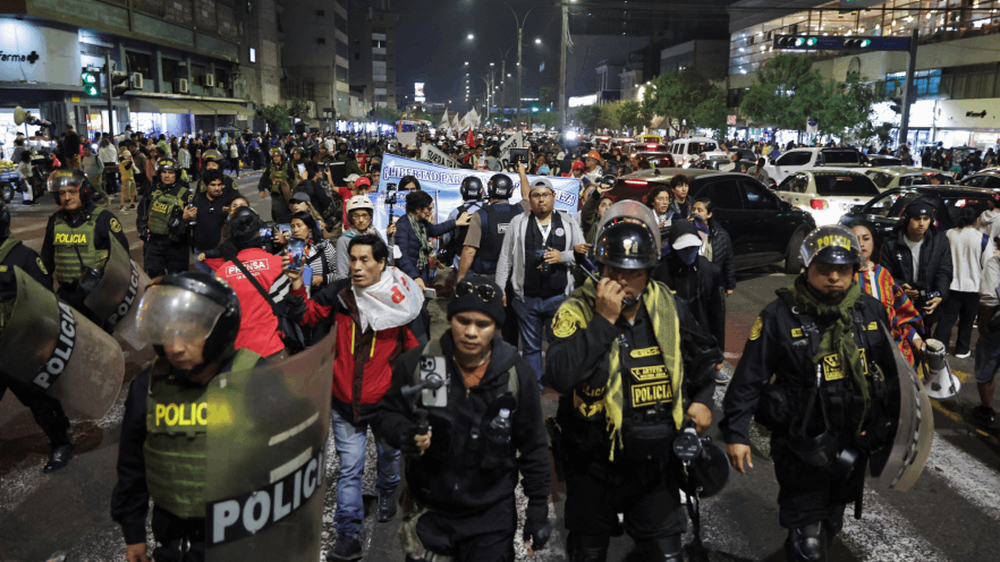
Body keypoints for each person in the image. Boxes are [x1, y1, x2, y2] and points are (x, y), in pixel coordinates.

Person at [545, 202, 721, 561]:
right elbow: (560, 376)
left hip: (655, 466)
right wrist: (603, 322)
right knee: (588, 553)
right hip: (593, 463)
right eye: (613, 270)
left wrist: (703, 400)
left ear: (650, 270)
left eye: (634, 272)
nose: (623, 280)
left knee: (666, 554)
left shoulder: (669, 307)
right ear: (600, 268)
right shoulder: (576, 310)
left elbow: (704, 361)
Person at [722, 225, 902, 562]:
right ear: (809, 268)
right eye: (824, 269)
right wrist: (736, 433)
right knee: (808, 543)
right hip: (801, 445)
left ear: (854, 270)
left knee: (832, 520)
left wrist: (891, 429)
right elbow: (748, 378)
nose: (834, 277)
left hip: (853, 443)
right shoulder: (779, 317)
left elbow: (893, 377)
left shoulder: (871, 312)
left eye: (842, 269)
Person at [376, 275, 552, 562]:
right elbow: (387, 414)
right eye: (462, 321)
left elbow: (533, 445)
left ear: (496, 327)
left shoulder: (517, 374)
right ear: (450, 319)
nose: (471, 332)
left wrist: (537, 510)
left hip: (491, 519)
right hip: (429, 514)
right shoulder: (418, 363)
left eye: (482, 324)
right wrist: (404, 434)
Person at [110, 272, 264, 562]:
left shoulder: (257, 378)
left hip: (243, 536)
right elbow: (132, 463)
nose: (175, 348)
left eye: (189, 334)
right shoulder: (149, 385)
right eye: (167, 335)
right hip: (175, 539)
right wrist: (134, 534)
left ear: (219, 332)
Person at [287, 234, 424, 560]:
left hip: (386, 405)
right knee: (350, 468)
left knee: (389, 458)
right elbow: (305, 316)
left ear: (381, 263)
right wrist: (296, 283)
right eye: (353, 259)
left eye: (365, 260)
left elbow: (416, 353)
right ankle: (347, 534)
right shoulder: (338, 295)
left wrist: (416, 402)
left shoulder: (400, 300)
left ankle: (387, 491)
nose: (357, 266)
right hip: (343, 402)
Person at [0, 201, 74, 472]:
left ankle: (61, 443)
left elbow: (46, 304)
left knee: (40, 402)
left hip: (20, 350)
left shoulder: (23, 258)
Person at [497, 170, 584, 383]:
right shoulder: (518, 222)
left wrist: (562, 256)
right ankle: (532, 388)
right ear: (530, 199)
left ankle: (560, 383)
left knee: (560, 345)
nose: (542, 199)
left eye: (546, 195)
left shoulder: (568, 221)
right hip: (526, 298)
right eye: (537, 195)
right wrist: (500, 289)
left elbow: (583, 253)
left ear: (554, 197)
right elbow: (505, 258)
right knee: (530, 348)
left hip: (558, 297)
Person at [40, 169, 130, 310]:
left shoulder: (103, 219)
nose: (67, 197)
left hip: (98, 296)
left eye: (72, 191)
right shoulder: (55, 221)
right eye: (62, 193)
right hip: (66, 296)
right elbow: (47, 261)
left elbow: (123, 259)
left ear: (84, 191)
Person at [215, 208, 293, 360]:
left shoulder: (222, 273)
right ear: (260, 237)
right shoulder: (279, 264)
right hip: (273, 348)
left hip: (238, 355)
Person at [849, 221, 926, 366]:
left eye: (866, 238)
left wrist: (915, 338)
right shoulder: (840, 279)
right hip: (855, 356)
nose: (861, 244)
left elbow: (901, 314)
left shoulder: (883, 275)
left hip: (892, 352)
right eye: (854, 239)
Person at [654, 219, 727, 370]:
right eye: (684, 248)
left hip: (701, 345)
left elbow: (717, 315)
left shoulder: (710, 272)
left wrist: (718, 352)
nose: (689, 252)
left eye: (693, 247)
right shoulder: (660, 273)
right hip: (669, 345)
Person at [879, 199, 952, 337]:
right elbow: (884, 275)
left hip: (926, 305)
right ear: (906, 219)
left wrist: (940, 295)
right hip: (900, 305)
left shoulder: (939, 241)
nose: (922, 223)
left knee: (924, 344)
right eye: (917, 218)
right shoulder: (892, 244)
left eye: (926, 218)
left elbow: (944, 270)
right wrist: (901, 287)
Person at [935, 206, 994, 358]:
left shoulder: (948, 234)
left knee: (946, 320)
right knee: (967, 321)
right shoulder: (983, 239)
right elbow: (987, 265)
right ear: (976, 220)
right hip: (973, 288)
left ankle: (939, 348)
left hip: (950, 286)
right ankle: (962, 349)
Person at [395, 190, 469, 292]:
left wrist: (456, 223)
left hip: (422, 273)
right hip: (409, 277)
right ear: (417, 209)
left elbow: (435, 230)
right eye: (429, 209)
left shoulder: (422, 223)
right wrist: (415, 277)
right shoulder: (403, 226)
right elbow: (402, 256)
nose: (431, 212)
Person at [136, 158, 195, 277]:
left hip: (176, 244)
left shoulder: (185, 194)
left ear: (176, 174)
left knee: (177, 279)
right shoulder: (151, 191)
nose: (167, 176)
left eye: (171, 172)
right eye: (164, 172)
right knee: (154, 276)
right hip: (154, 242)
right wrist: (142, 230)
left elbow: (193, 223)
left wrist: (184, 220)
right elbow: (142, 213)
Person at [190, 169, 237, 275]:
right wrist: (186, 217)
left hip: (220, 253)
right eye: (213, 185)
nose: (217, 188)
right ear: (205, 185)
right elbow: (190, 220)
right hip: (201, 251)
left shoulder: (229, 200)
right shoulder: (198, 199)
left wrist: (233, 212)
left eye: (219, 184)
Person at [973, 250, 1000, 426]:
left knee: (986, 366)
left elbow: (989, 299)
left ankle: (986, 409)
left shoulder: (995, 263)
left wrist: (983, 325)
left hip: (997, 329)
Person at [692, 198, 736, 296]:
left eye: (700, 210)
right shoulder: (688, 231)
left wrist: (729, 286)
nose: (695, 213)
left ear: (709, 214)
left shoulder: (721, 235)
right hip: (693, 283)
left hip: (712, 282)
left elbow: (728, 262)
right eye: (693, 209)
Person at [440, 176, 484, 270]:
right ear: (481, 191)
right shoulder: (488, 210)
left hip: (461, 263)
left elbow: (446, 239)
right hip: (484, 264)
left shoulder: (455, 212)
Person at [258, 147, 297, 223]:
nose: (276, 158)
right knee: (278, 214)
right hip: (275, 194)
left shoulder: (287, 165)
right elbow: (263, 179)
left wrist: (292, 190)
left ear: (281, 156)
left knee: (288, 213)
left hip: (286, 195)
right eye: (274, 156)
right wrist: (261, 190)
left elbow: (293, 179)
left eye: (278, 156)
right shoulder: (270, 167)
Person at [118, 147, 137, 213]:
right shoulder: (122, 161)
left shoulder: (128, 161)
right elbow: (127, 167)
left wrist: (131, 162)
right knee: (124, 192)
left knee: (133, 192)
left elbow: (133, 169)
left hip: (131, 177)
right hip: (125, 178)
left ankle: (132, 204)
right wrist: (131, 161)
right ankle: (122, 205)